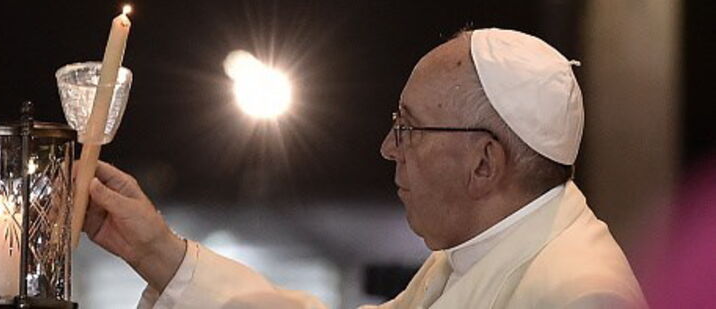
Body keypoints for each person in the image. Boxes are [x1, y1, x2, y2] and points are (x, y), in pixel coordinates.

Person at [82, 28, 647, 308]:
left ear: (483, 163)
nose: (387, 147)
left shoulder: (579, 296)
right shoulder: (473, 254)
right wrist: (158, 252)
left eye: (409, 128)